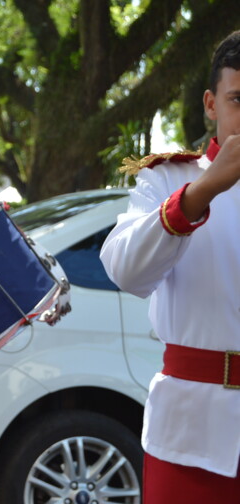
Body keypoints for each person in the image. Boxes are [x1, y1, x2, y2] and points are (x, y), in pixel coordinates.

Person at [100, 29, 240, 501]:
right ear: (210, 104)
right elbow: (125, 271)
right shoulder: (170, 179)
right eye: (238, 99)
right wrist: (199, 195)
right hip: (193, 430)